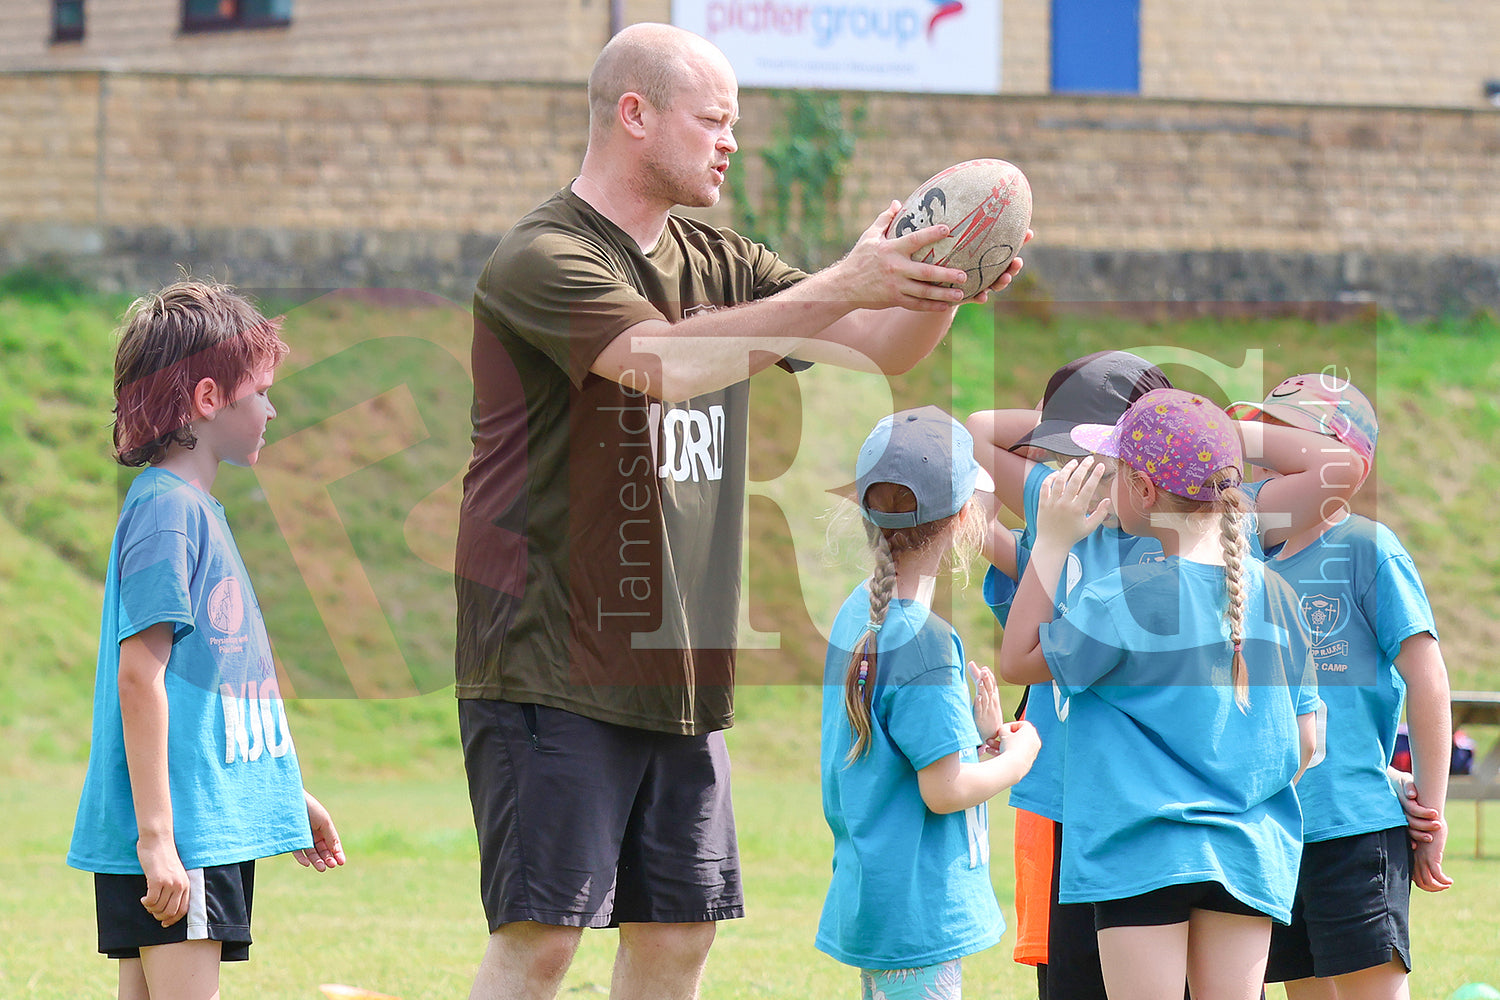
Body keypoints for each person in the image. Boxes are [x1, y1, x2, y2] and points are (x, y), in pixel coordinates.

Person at [454, 22, 1030, 1000]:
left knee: (679, 934)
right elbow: (667, 365)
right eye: (714, 119)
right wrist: (844, 277)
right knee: (543, 939)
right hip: (552, 658)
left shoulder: (718, 259)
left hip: (677, 664)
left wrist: (937, 283)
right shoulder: (540, 259)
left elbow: (877, 345)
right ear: (635, 116)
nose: (732, 140)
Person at [67, 278, 344, 1000]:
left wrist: (288, 795)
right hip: (183, 835)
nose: (272, 408)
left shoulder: (194, 510)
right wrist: (158, 838)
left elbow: (211, 694)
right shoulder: (169, 514)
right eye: (260, 392)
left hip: (192, 825)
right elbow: (141, 676)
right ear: (209, 400)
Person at [998, 388, 1319, 1000]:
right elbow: (1307, 743)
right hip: (1248, 852)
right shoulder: (1276, 592)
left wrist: (1051, 540)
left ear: (1143, 491)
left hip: (1138, 853)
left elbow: (1018, 661)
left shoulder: (1124, 595)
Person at [1227, 374, 1453, 1000]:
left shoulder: (1365, 547)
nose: (1262, 449)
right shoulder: (1238, 553)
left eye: (1280, 432)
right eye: (1260, 430)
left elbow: (1428, 680)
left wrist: (1431, 809)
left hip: (1353, 825)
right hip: (1271, 827)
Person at [818, 407, 1040, 999]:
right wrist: (1019, 758)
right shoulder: (927, 643)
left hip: (878, 892)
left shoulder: (855, 612)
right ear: (965, 518)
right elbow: (943, 790)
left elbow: (902, 748)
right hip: (920, 907)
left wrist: (979, 740)